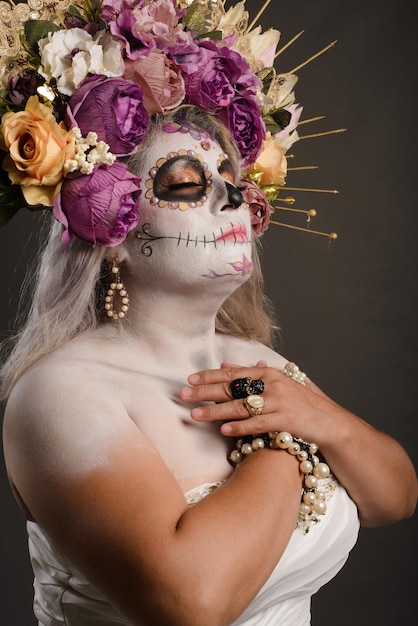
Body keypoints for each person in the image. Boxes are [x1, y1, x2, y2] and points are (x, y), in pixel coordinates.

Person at [0, 1, 416, 625]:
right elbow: (190, 604)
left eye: (230, 176)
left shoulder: (256, 366)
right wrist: (285, 439)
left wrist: (327, 420)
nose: (231, 197)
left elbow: (397, 499)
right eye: (187, 183)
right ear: (114, 231)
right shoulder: (60, 395)